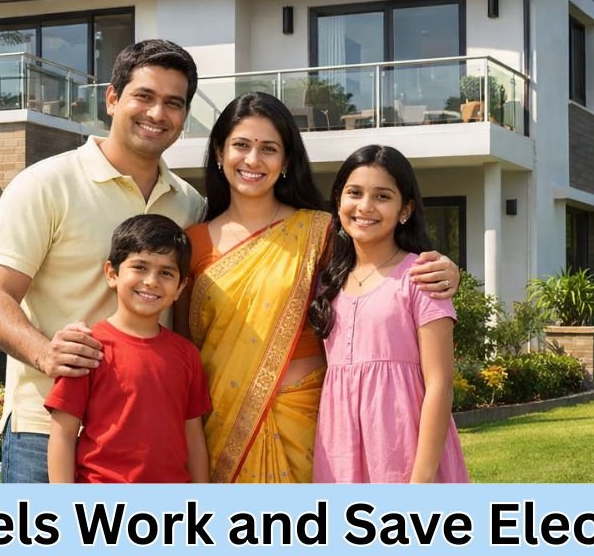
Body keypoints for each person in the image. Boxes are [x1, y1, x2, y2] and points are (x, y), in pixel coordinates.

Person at [176, 92, 460, 483]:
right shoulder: (191, 243)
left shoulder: (322, 231)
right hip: (224, 425)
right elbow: (185, 351)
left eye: (269, 148)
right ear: (219, 152)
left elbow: (381, 267)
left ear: (286, 160)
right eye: (241, 145)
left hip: (313, 429)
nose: (253, 160)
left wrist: (446, 269)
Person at [0, 40, 205, 483]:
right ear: (112, 98)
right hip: (45, 429)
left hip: (142, 439)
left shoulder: (189, 204)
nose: (157, 113)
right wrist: (46, 355)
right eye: (144, 96)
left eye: (173, 103)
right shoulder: (45, 184)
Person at [309, 145, 469, 483]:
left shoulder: (422, 277)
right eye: (355, 193)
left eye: (382, 196)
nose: (365, 206)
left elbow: (440, 385)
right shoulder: (327, 282)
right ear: (338, 201)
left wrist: (421, 480)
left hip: (405, 450)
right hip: (339, 452)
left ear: (405, 210)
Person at [45, 215, 211, 483]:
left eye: (166, 273)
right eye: (140, 267)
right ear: (112, 274)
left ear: (180, 287)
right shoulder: (87, 349)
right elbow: (63, 435)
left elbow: (194, 439)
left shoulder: (187, 355)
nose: (151, 281)